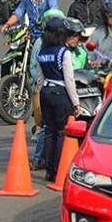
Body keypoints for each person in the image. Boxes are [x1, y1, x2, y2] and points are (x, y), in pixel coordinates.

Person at [36, 17, 80, 181]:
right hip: (60, 94)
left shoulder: (41, 52)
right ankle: (59, 169)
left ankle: (49, 170)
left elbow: (39, 79)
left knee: (49, 131)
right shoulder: (64, 53)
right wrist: (76, 102)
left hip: (45, 93)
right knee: (62, 133)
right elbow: (69, 80)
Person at [29, 8, 66, 170]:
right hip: (53, 91)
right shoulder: (61, 51)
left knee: (49, 129)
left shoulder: (44, 47)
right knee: (53, 131)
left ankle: (49, 166)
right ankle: (44, 160)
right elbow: (34, 70)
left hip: (45, 90)